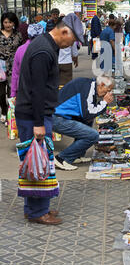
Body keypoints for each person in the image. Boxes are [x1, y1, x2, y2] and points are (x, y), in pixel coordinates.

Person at [15, 13, 84, 225]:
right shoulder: (44, 51)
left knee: (33, 159)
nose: (72, 45)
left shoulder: (46, 45)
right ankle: (38, 212)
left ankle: (34, 208)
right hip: (33, 115)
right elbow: (37, 90)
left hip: (34, 113)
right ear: (64, 31)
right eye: (73, 40)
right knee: (39, 161)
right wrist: (38, 124)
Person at [53, 75, 115, 170]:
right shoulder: (88, 88)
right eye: (108, 90)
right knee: (93, 135)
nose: (108, 93)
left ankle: (77, 155)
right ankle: (61, 158)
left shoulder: (89, 85)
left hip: (59, 115)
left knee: (88, 122)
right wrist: (104, 103)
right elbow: (88, 113)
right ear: (102, 85)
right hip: (56, 117)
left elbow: (88, 113)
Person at [0, 12, 23, 124]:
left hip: (14, 66)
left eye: (10, 22)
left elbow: (21, 50)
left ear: (14, 23)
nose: (8, 24)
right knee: (0, 92)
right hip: (0, 66)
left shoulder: (18, 35)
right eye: (5, 22)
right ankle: (3, 111)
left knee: (12, 91)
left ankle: (10, 113)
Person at [10, 23, 44, 97]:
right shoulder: (45, 50)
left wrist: (13, 92)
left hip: (22, 89)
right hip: (41, 90)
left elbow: (15, 73)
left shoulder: (20, 50)